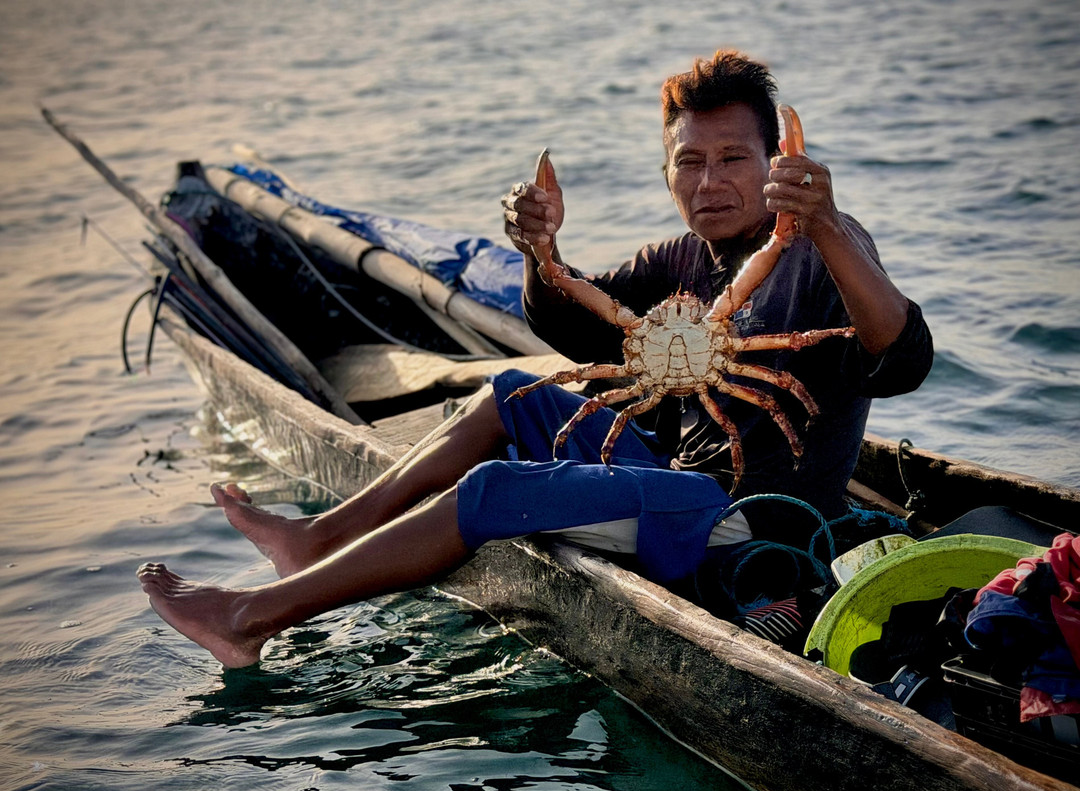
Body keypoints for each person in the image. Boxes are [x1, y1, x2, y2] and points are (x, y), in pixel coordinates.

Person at [138, 49, 932, 668]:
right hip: (676, 477)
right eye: (691, 161)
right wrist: (538, 251)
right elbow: (580, 328)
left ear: (773, 165)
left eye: (734, 159)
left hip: (747, 525)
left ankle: (248, 620)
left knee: (492, 489)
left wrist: (823, 222)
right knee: (514, 391)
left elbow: (902, 360)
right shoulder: (686, 257)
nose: (712, 181)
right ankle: (319, 540)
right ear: (666, 173)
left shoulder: (824, 246)